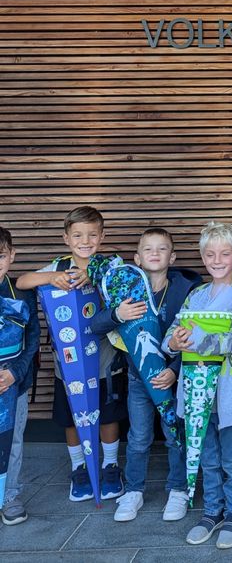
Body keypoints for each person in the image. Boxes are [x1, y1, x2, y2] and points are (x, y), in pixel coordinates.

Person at [17, 206, 127, 502]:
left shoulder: (111, 265)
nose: (85, 241)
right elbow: (22, 281)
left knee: (107, 413)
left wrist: (94, 277)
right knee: (71, 416)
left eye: (92, 235)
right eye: (77, 235)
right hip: (67, 365)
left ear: (102, 236)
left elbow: (126, 285)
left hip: (105, 358)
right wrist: (51, 277)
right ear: (66, 238)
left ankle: (110, 466)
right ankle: (79, 468)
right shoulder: (59, 265)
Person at [164, 222, 232, 550]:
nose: (217, 260)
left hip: (228, 390)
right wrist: (173, 342)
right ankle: (212, 511)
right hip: (195, 390)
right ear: (203, 257)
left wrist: (196, 337)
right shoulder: (196, 295)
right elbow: (173, 331)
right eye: (210, 254)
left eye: (225, 254)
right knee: (207, 456)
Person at [104, 228, 200, 523]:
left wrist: (174, 370)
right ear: (137, 258)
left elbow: (195, 335)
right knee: (138, 437)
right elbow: (96, 324)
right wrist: (117, 314)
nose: (155, 254)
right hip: (138, 379)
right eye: (148, 249)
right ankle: (134, 490)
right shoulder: (125, 291)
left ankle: (178, 489)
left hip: (176, 378)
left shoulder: (186, 291)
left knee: (175, 434)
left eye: (162, 249)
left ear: (173, 257)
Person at [0, 227, 39, 526]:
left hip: (16, 383)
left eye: (0, 256)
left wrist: (14, 373)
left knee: (13, 441)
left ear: (12, 255)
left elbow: (33, 340)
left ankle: (9, 494)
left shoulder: (22, 293)